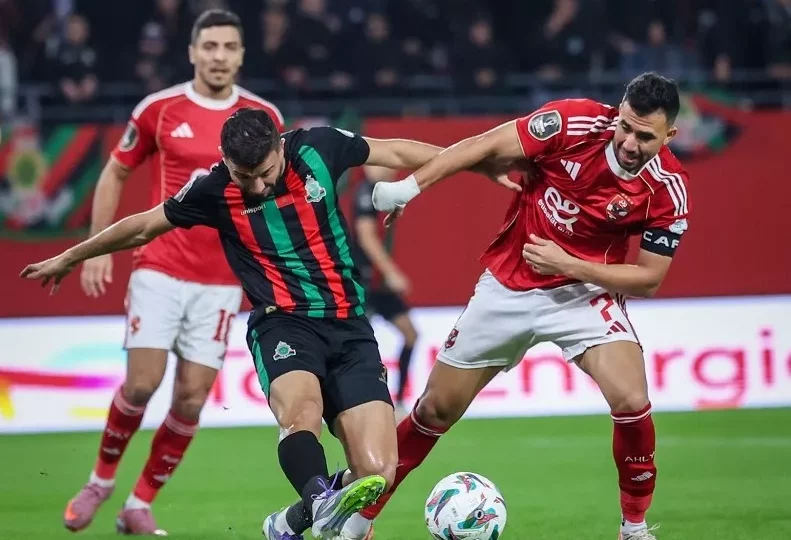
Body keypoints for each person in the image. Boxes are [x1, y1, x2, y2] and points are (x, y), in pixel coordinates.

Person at [21, 109, 515, 540]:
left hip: (349, 327)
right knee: (300, 414)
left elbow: (397, 150)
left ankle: (292, 521)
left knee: (379, 473)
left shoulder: (319, 147)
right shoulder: (212, 188)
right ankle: (321, 500)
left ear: (281, 145)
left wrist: (476, 161)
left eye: (264, 171)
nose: (256, 185)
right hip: (283, 325)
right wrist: (71, 254)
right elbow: (144, 225)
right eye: (244, 176)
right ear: (226, 163)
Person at [347, 72, 690, 540]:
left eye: (645, 135)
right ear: (618, 112)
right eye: (625, 126)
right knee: (433, 411)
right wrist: (410, 188)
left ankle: (633, 529)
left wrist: (570, 264)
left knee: (632, 399)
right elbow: (485, 144)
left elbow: (649, 278)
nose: (629, 141)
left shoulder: (668, 187)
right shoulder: (573, 123)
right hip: (508, 286)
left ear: (669, 135)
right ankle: (358, 522)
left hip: (582, 296)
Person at [63, 9, 284, 535]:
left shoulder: (263, 115)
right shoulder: (160, 109)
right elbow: (115, 170)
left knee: (189, 397)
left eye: (229, 47)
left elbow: (277, 191)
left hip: (224, 280)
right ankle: (100, 480)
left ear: (241, 55)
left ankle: (139, 504)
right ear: (192, 52)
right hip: (159, 267)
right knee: (142, 384)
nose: (219, 56)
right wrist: (97, 248)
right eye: (209, 46)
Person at [352, 165, 418, 420]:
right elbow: (366, 236)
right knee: (356, 344)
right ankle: (352, 402)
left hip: (378, 285)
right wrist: (390, 271)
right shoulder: (365, 192)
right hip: (362, 282)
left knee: (410, 334)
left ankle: (399, 402)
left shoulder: (382, 195)